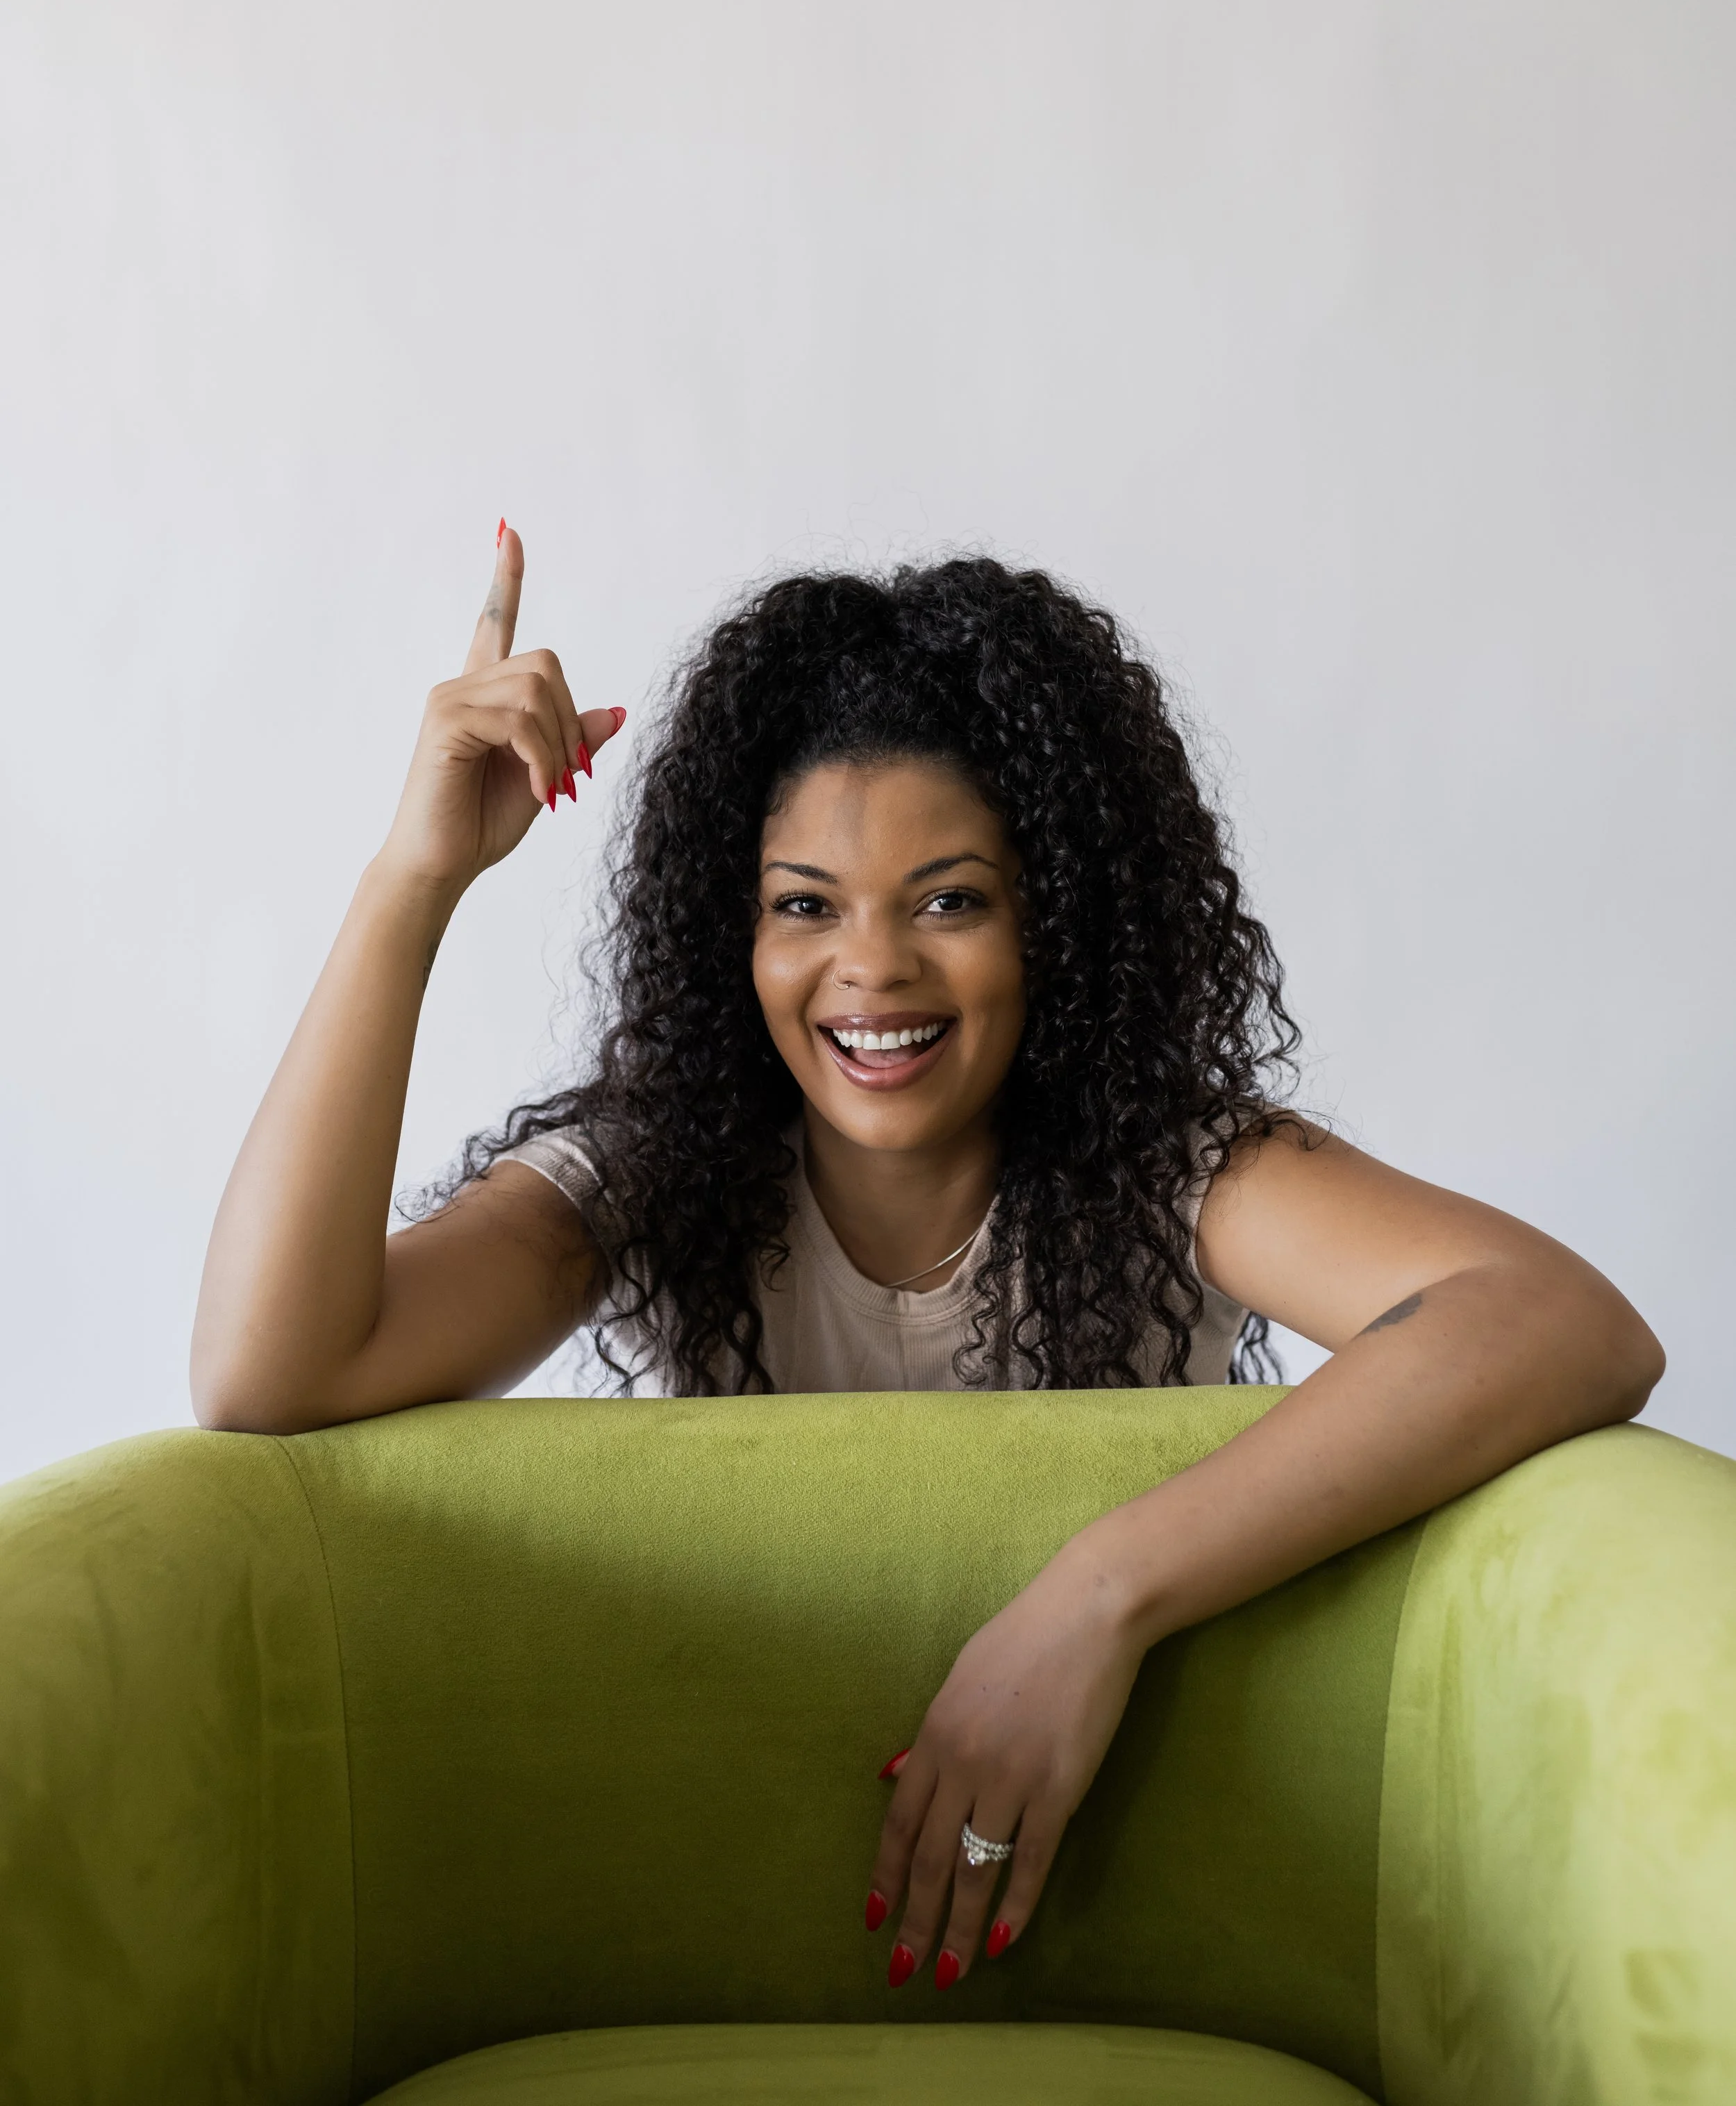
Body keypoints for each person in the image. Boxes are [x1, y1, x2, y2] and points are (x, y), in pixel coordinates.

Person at [192, 529, 1662, 1998]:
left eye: (949, 898)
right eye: (804, 903)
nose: (872, 966)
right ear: (736, 935)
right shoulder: (655, 1175)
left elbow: (1559, 1318)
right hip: (748, 1938)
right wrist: (414, 874)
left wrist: (1095, 1597)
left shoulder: (1172, 1165)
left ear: (1054, 924)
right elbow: (271, 1369)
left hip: (1136, 1925)